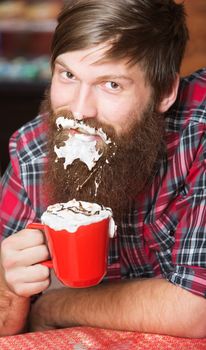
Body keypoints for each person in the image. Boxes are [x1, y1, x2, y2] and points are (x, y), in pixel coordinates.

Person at [0, 0, 206, 338]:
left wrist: (54, 306)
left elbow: (196, 310)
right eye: (68, 75)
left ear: (165, 91)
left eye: (111, 84)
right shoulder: (33, 151)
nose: (79, 111)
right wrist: (7, 285)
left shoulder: (199, 134)